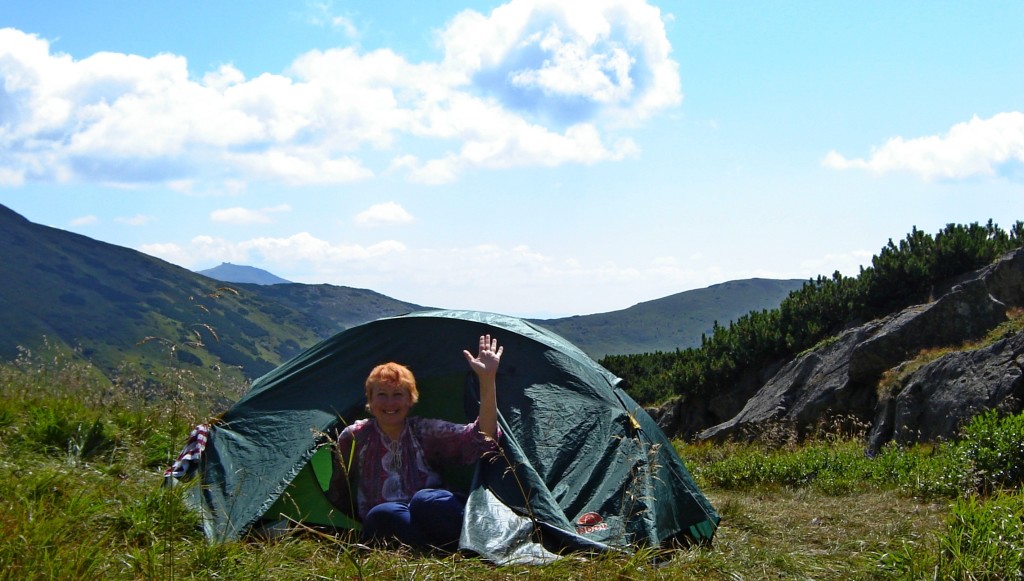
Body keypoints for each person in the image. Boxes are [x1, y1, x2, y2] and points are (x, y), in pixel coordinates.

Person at [328, 334, 503, 552]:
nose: (390, 403)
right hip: (395, 522)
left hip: (436, 513)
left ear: (410, 400)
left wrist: (487, 379)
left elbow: (483, 438)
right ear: (370, 401)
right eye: (382, 394)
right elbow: (339, 487)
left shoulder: (423, 431)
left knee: (425, 501)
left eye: (398, 394)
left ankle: (465, 545)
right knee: (382, 514)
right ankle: (439, 553)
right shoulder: (354, 436)